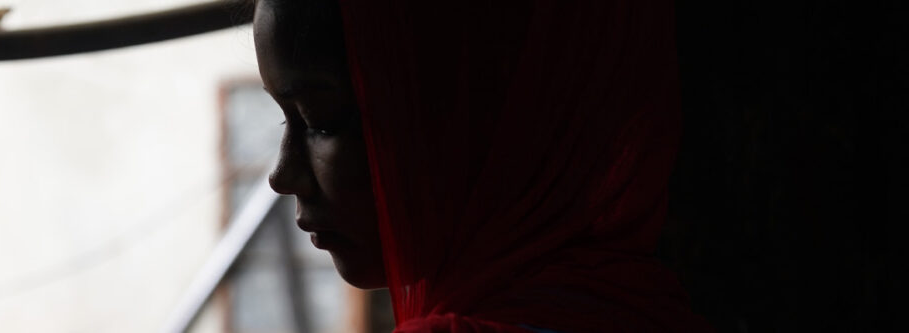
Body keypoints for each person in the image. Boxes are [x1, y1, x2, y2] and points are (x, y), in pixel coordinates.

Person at [253, 0, 713, 332]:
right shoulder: (650, 308)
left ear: (469, 121)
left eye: (321, 120)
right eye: (284, 117)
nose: (282, 176)